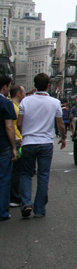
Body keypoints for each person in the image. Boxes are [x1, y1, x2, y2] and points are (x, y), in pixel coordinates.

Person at [17, 73, 66, 219]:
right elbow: (60, 124)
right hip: (45, 143)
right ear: (48, 86)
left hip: (28, 142)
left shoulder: (25, 101)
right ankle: (39, 209)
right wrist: (63, 138)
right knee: (43, 175)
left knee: (26, 173)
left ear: (34, 85)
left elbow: (19, 123)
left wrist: (24, 134)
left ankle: (26, 202)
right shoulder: (55, 102)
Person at [0, 76, 19, 221]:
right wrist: (14, 146)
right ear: (5, 87)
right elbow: (9, 126)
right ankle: (2, 212)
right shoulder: (6, 103)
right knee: (4, 178)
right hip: (3, 144)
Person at [9, 85, 25, 207]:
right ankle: (15, 196)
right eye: (23, 92)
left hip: (17, 139)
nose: (24, 95)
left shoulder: (16, 106)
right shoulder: (14, 108)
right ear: (18, 94)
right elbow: (11, 126)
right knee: (16, 171)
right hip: (17, 141)